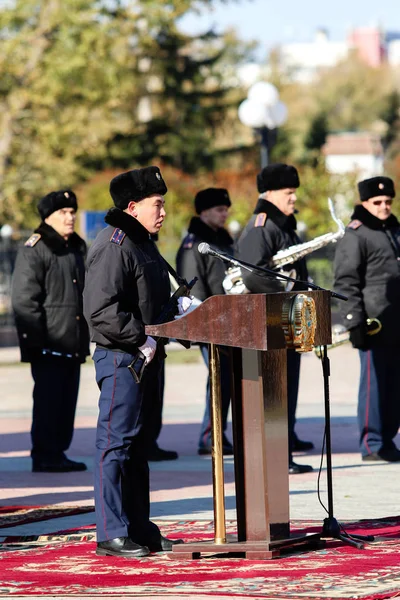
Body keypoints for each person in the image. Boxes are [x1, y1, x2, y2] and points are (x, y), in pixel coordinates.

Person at [83, 166, 189, 558]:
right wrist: (140, 337)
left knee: (139, 446)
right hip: (122, 359)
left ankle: (139, 526)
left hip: (146, 358)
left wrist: (184, 310)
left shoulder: (143, 242)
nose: (163, 212)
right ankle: (111, 531)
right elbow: (101, 311)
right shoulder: (114, 245)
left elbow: (150, 299)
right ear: (132, 207)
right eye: (157, 204)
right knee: (115, 446)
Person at [236, 163, 314, 475]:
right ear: (269, 193)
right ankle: (271, 458)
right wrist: (287, 298)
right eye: (288, 193)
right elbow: (254, 276)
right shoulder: (261, 226)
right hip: (269, 325)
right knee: (272, 395)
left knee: (286, 390)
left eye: (294, 192)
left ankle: (283, 453)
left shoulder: (283, 226)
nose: (294, 198)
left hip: (287, 322)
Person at [11, 190, 89, 473]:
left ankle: (58, 452)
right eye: (63, 213)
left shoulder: (76, 248)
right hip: (48, 343)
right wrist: (35, 342)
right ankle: (44, 454)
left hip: (72, 340)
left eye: (72, 212)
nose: (70, 218)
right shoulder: (37, 248)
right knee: (48, 403)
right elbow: (23, 300)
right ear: (48, 217)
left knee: (66, 403)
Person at [334, 176, 400, 463]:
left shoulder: (393, 229)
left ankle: (387, 439)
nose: (384, 206)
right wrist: (354, 322)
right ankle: (371, 442)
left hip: (396, 319)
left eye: (388, 201)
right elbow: (346, 281)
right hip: (373, 323)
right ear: (365, 203)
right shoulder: (356, 234)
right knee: (374, 386)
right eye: (378, 202)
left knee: (394, 386)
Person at [176, 188, 234, 456]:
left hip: (230, 323)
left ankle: (219, 433)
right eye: (219, 210)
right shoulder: (194, 245)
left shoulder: (222, 240)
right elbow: (193, 292)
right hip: (210, 325)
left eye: (226, 209)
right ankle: (210, 436)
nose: (224, 214)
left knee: (227, 380)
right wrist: (207, 326)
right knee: (218, 379)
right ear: (204, 211)